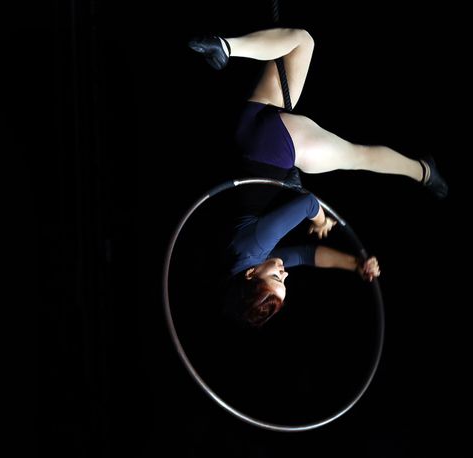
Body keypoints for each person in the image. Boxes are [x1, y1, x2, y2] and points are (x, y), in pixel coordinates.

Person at [188, 28, 449, 199]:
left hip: (273, 147)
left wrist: (320, 219)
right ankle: (226, 45)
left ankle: (424, 171)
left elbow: (305, 209)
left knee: (360, 156)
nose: (284, 273)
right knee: (301, 41)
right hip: (246, 126)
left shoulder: (250, 250)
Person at [224, 190, 380, 328]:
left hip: (272, 161)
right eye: (282, 280)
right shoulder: (247, 266)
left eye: (276, 277)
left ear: (251, 274)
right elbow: (306, 255)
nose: (285, 273)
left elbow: (309, 203)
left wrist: (322, 223)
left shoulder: (255, 246)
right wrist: (356, 265)